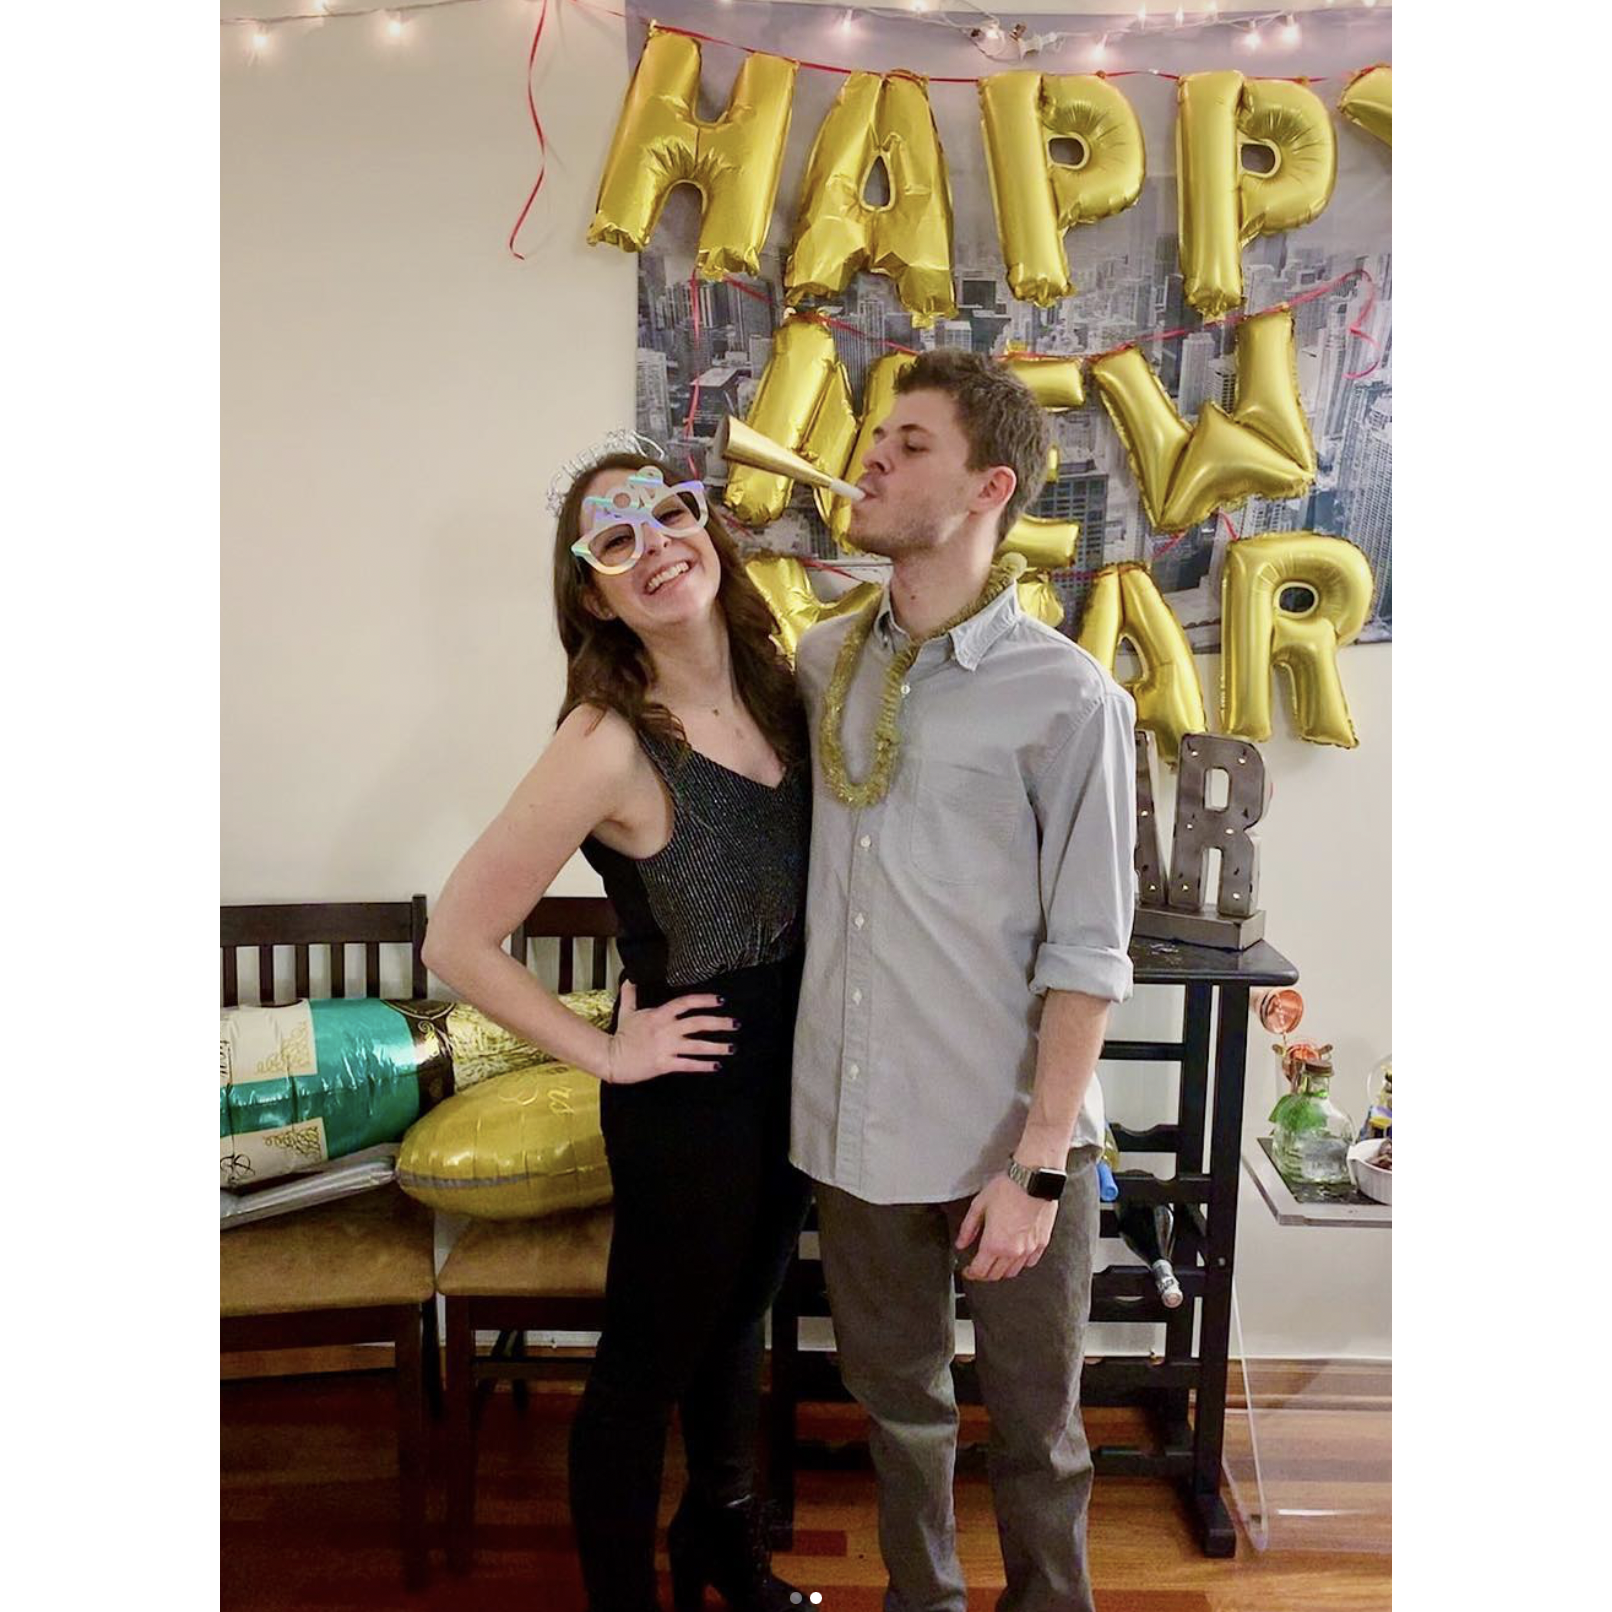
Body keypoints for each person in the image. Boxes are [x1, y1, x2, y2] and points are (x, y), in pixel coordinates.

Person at [423, 433, 812, 1612]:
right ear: (594, 594)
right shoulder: (606, 740)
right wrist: (604, 1048)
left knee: (737, 1324)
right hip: (689, 1096)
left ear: (707, 526)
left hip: (794, 1071)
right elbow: (457, 939)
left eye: (666, 513)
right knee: (644, 1371)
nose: (653, 545)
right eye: (614, 539)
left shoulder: (778, 687)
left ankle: (720, 1543)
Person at [790, 352, 1138, 1612]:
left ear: (990, 487)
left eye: (911, 443)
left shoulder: (1069, 697)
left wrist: (1037, 1165)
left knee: (1039, 1429)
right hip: (855, 1127)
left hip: (1013, 1139)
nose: (872, 458)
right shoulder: (822, 663)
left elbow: (1090, 949)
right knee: (899, 1410)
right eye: (874, 437)